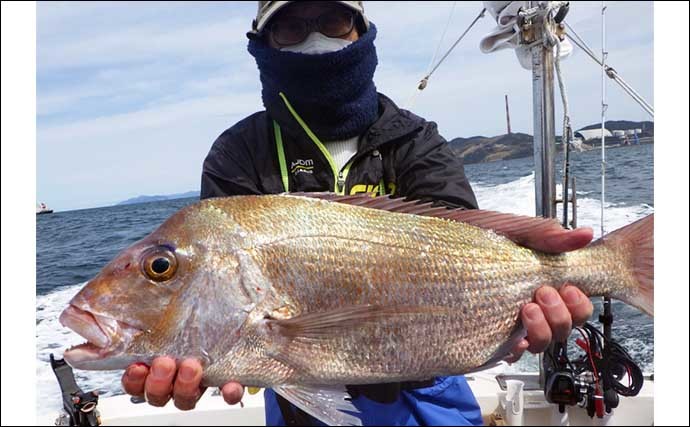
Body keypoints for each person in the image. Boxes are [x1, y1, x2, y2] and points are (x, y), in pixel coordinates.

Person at [122, 1, 594, 425]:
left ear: (360, 31)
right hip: (298, 397)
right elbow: (219, 310)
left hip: (431, 380)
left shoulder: (416, 140)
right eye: (290, 27)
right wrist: (208, 357)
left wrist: (524, 306)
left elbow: (465, 248)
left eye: (332, 20)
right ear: (263, 44)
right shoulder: (238, 155)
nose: (315, 40)